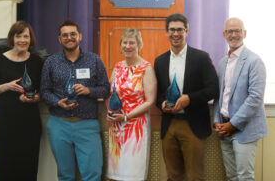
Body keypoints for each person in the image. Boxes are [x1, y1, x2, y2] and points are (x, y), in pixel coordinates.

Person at [40, 19, 110, 181]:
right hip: (59, 124)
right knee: (65, 176)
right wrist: (57, 102)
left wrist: (88, 91)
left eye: (73, 34)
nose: (69, 38)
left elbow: (105, 88)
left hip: (87, 124)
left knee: (93, 175)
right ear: (59, 39)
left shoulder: (94, 60)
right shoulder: (51, 62)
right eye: (65, 35)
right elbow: (44, 91)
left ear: (80, 36)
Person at [154, 13, 219, 181]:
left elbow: (213, 89)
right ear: (166, 32)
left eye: (179, 30)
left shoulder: (201, 57)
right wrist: (161, 103)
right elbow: (158, 94)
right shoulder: (160, 61)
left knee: (195, 176)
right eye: (172, 30)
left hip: (193, 125)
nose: (175, 33)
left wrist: (189, 98)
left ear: (187, 31)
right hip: (169, 125)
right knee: (173, 175)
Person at [0, 21, 43, 181]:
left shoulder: (37, 62)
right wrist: (5, 87)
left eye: (26, 36)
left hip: (29, 126)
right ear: (12, 38)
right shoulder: (0, 61)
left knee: (28, 171)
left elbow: (44, 91)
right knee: (4, 170)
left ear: (31, 39)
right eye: (18, 36)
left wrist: (34, 98)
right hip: (3, 126)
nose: (22, 40)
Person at [213, 17, 267, 181]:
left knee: (244, 177)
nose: (234, 34)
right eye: (230, 31)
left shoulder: (254, 61)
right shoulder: (223, 62)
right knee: (231, 177)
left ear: (244, 33)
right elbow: (219, 96)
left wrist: (233, 124)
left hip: (245, 129)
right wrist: (217, 121)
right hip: (224, 128)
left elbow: (255, 98)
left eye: (237, 31)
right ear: (224, 34)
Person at [106, 28, 157, 181]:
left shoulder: (146, 68)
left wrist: (127, 116)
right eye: (125, 42)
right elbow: (110, 93)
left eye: (132, 43)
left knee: (133, 172)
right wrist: (108, 110)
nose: (128, 46)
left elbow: (150, 100)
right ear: (120, 45)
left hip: (135, 126)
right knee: (117, 173)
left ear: (139, 45)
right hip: (116, 126)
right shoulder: (118, 66)